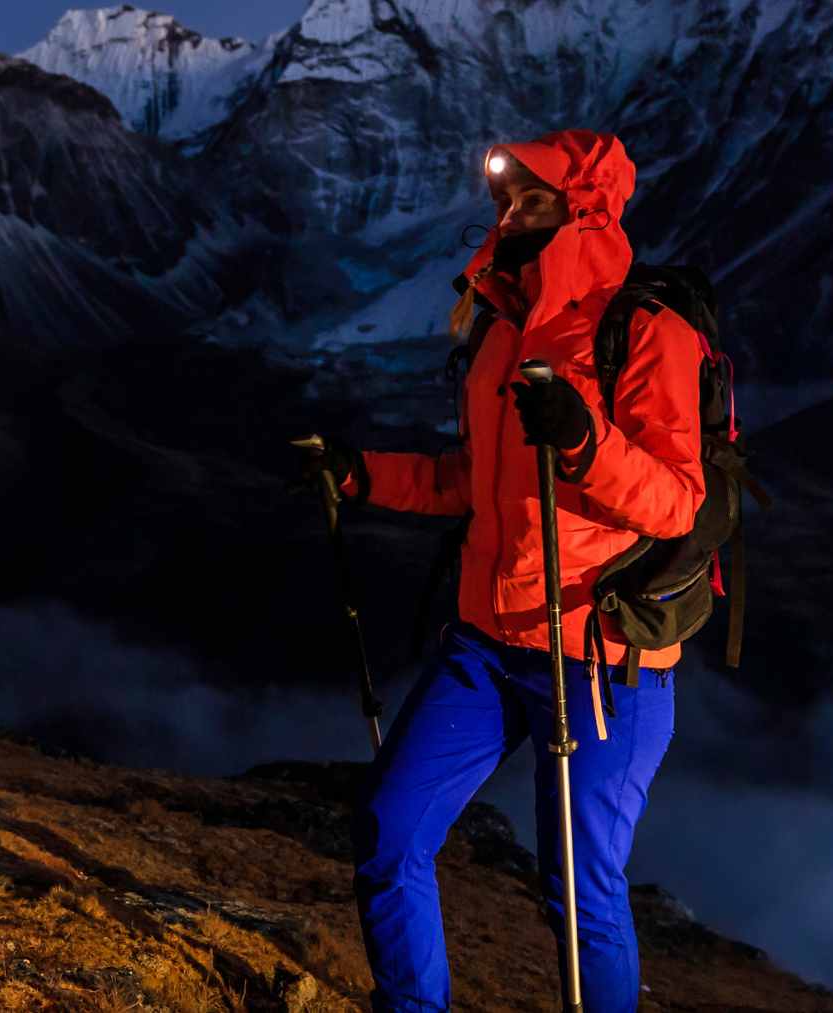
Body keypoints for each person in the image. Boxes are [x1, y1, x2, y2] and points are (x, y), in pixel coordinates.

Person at [303, 129, 705, 1012]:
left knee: (578, 890)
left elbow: (677, 499)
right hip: (490, 640)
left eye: (531, 201)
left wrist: (581, 440)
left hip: (604, 658)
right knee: (389, 829)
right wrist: (364, 472)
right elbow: (473, 487)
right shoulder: (502, 327)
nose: (508, 216)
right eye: (503, 201)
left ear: (584, 207)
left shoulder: (645, 330)